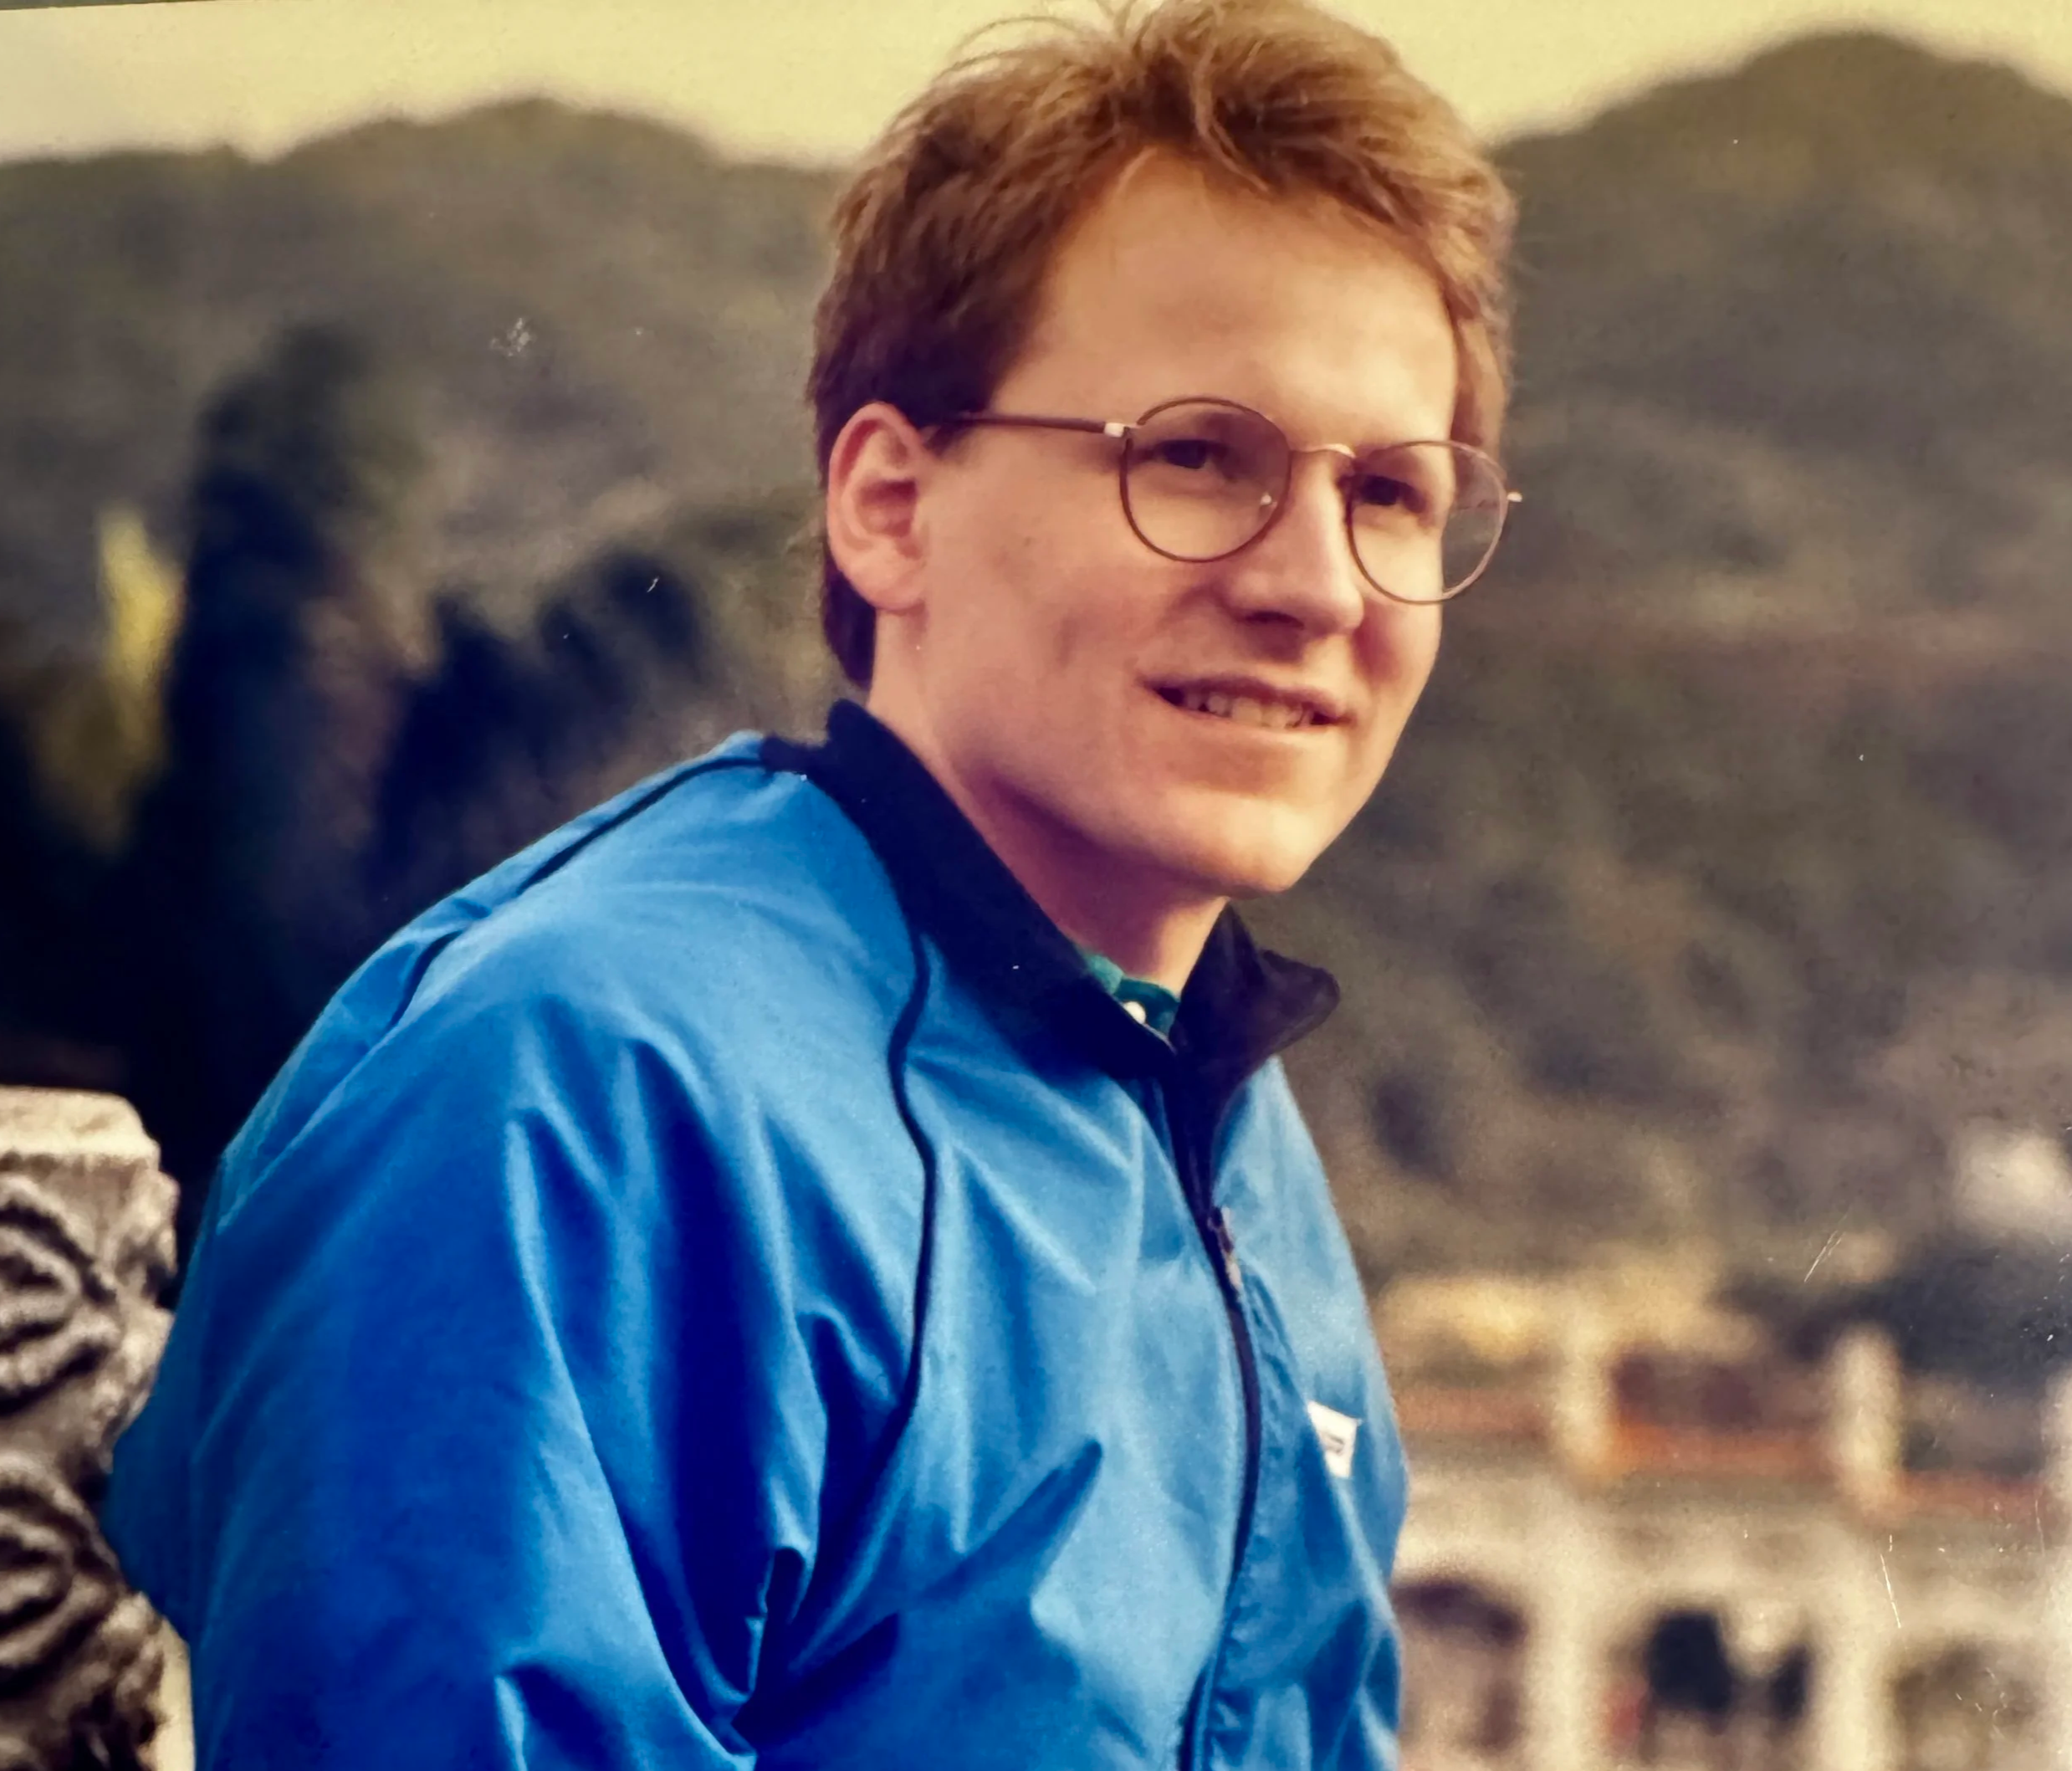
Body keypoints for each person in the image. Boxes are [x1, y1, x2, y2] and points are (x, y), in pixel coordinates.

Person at [103, 1, 1517, 1764]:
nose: (1316, 582)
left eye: (1388, 490)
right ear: (888, 503)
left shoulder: (1218, 1114)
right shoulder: (583, 1096)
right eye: (1192, 455)